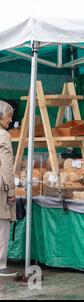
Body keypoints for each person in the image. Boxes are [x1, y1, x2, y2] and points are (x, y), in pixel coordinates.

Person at [0, 101, 17, 277]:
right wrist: (11, 191)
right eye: (9, 116)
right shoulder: (3, 135)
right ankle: (1, 265)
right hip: (0, 186)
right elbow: (6, 165)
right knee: (2, 224)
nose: (11, 120)